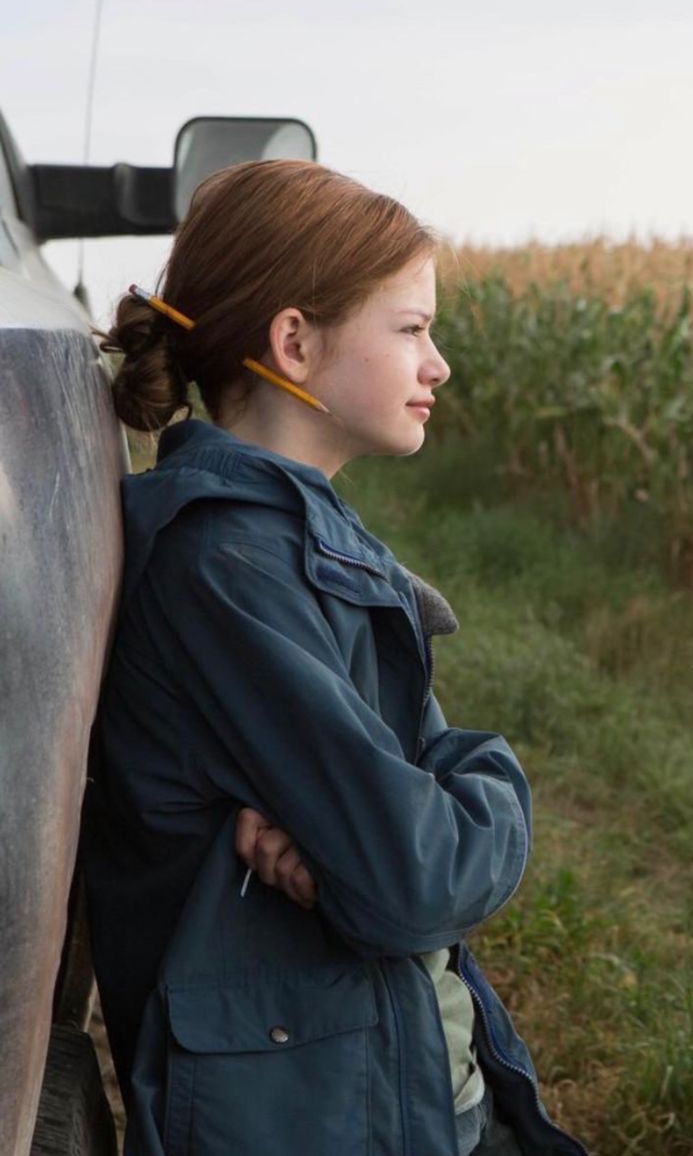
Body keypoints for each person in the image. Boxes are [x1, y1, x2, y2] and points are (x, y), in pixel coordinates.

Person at [81, 159, 586, 1156]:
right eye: (411, 329)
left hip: (379, 1079)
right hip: (327, 1114)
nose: (437, 364)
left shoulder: (281, 545)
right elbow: (418, 875)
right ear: (295, 342)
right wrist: (485, 787)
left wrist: (423, 808)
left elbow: (411, 838)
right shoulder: (229, 569)